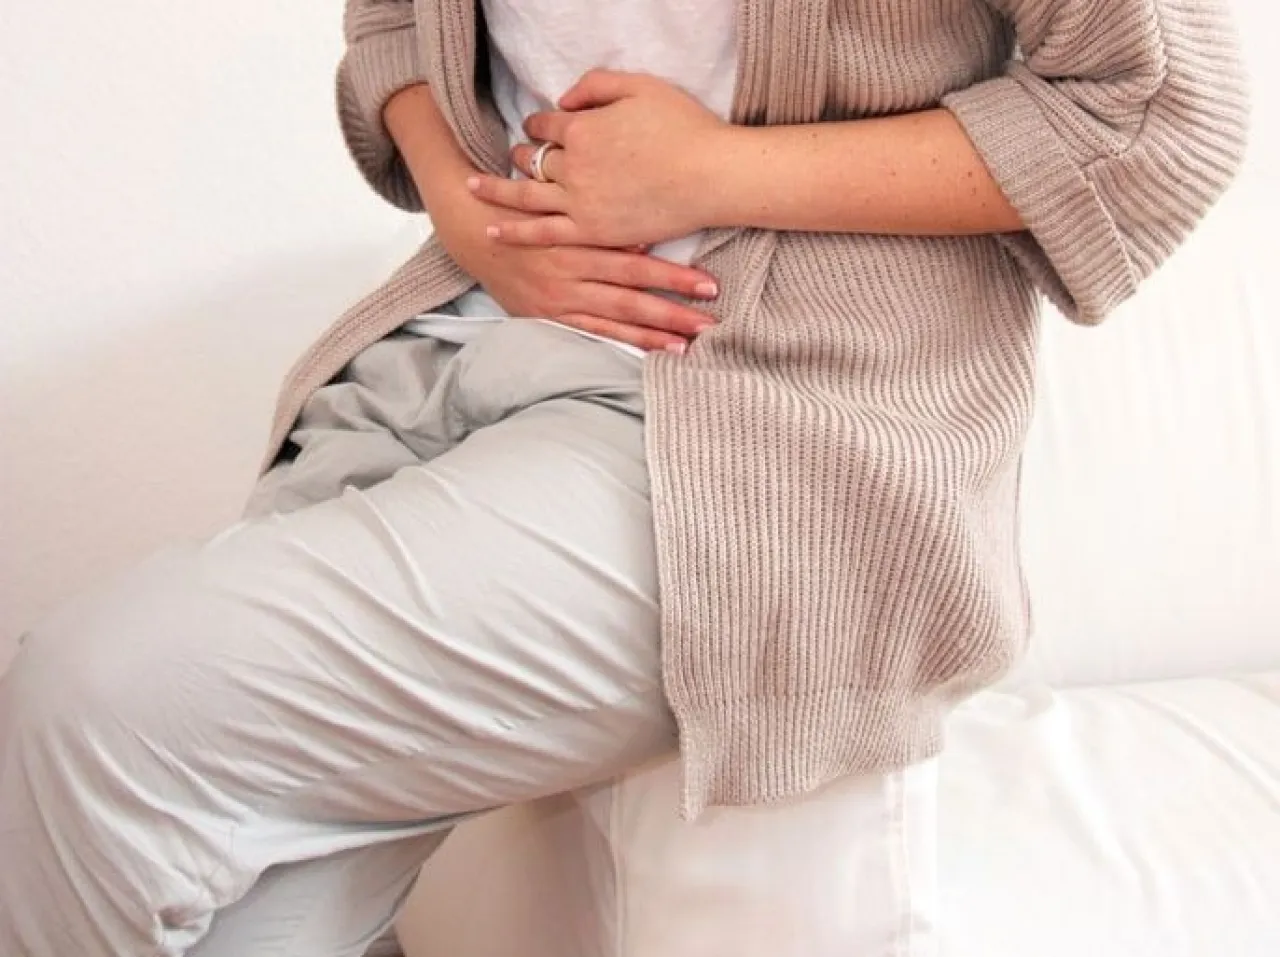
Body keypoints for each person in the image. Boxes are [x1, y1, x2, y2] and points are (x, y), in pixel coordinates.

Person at [0, 0, 1249, 954]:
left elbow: (1159, 114)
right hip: (446, 351)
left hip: (765, 415)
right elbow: (393, 25)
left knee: (95, 704)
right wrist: (465, 204)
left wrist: (714, 172)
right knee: (220, 912)